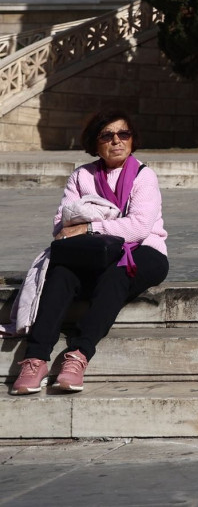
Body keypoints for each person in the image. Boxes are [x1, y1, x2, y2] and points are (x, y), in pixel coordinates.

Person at [9, 109, 169, 395]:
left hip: (144, 251)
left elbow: (139, 227)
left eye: (124, 134)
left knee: (117, 274)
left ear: (133, 139)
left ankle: (79, 354)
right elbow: (61, 225)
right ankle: (36, 358)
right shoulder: (81, 176)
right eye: (107, 136)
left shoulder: (144, 176)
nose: (117, 141)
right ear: (95, 143)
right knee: (61, 272)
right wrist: (92, 227)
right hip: (95, 253)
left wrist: (90, 225)